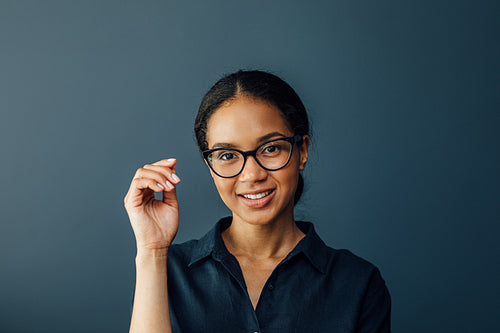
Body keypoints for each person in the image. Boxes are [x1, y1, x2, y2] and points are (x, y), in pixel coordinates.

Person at [124, 70, 391, 333]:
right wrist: (151, 251)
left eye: (271, 148)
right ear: (209, 165)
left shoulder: (358, 284)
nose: (252, 175)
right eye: (227, 155)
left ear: (302, 151)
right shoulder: (167, 271)